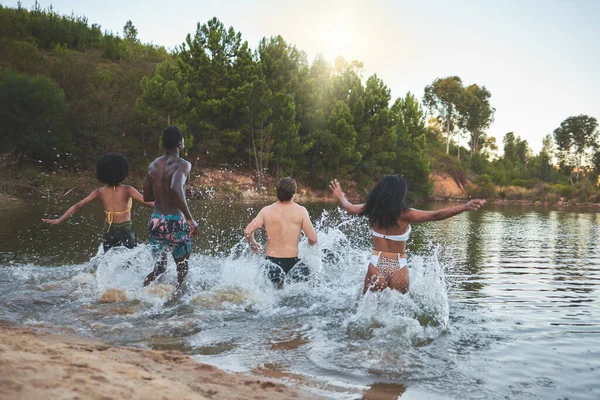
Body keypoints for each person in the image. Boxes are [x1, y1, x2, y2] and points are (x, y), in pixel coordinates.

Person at [329, 175, 485, 294]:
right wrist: (464, 206)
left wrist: (340, 195)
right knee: (399, 314)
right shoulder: (407, 214)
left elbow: (349, 208)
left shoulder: (370, 209)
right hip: (398, 266)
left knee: (366, 312)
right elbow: (436, 215)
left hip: (377, 264)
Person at [42, 153, 154, 252]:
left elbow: (78, 206)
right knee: (130, 256)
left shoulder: (100, 191)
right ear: (122, 171)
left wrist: (59, 220)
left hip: (108, 230)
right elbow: (148, 203)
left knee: (108, 259)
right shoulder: (128, 190)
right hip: (124, 229)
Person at [143, 126, 198, 288]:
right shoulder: (183, 164)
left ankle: (139, 294)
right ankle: (178, 304)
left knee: (159, 268)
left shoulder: (153, 165)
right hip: (175, 221)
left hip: (155, 221)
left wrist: (162, 195)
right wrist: (190, 219)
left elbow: (147, 196)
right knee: (182, 269)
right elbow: (175, 187)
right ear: (179, 143)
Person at [244, 177, 318, 286]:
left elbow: (248, 231)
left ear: (277, 192)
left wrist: (253, 244)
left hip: (271, 264)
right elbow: (313, 239)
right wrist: (308, 247)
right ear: (294, 193)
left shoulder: (266, 211)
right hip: (293, 265)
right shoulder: (301, 211)